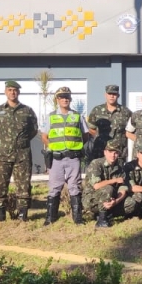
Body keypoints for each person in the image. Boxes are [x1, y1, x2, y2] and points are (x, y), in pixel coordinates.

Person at [0, 79, 38, 221]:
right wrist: (5, 144)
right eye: (10, 90)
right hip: (2, 155)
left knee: (23, 185)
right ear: (5, 92)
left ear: (19, 92)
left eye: (15, 90)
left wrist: (20, 143)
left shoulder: (27, 111)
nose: (12, 92)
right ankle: (1, 215)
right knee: (0, 184)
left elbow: (33, 131)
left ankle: (23, 215)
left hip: (22, 155)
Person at [41, 86, 87, 225]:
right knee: (54, 187)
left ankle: (77, 218)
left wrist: (75, 147)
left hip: (73, 158)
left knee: (75, 186)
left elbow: (85, 135)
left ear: (70, 99)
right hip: (57, 158)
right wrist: (53, 147)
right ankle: (50, 217)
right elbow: (44, 136)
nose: (65, 99)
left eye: (67, 97)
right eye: (62, 97)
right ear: (57, 100)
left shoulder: (78, 116)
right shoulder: (51, 116)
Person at [84, 137, 130, 227]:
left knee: (131, 202)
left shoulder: (120, 169)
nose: (113, 155)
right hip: (92, 199)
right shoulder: (96, 164)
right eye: (110, 152)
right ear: (105, 152)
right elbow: (96, 186)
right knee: (108, 188)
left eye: (116, 153)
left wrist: (116, 201)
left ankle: (110, 213)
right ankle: (102, 220)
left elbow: (123, 189)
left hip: (111, 199)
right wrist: (114, 180)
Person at [86, 84, 131, 160]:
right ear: (105, 95)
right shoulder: (97, 110)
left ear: (118, 95)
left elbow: (131, 130)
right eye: (109, 94)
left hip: (118, 152)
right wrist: (98, 137)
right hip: (100, 151)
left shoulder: (126, 112)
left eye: (114, 94)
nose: (112, 96)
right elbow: (90, 128)